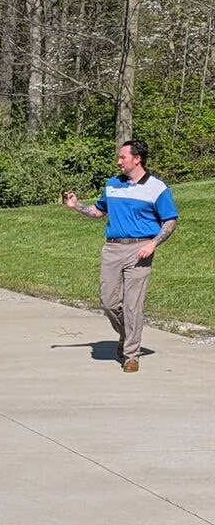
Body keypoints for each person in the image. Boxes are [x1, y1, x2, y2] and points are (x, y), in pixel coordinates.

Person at [63, 139, 178, 373]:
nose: (118, 161)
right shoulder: (113, 184)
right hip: (113, 248)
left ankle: (131, 354)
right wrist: (76, 206)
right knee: (108, 302)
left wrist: (154, 243)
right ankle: (127, 336)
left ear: (137, 159)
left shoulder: (157, 188)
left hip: (141, 248)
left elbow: (170, 220)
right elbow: (98, 211)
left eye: (122, 157)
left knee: (133, 305)